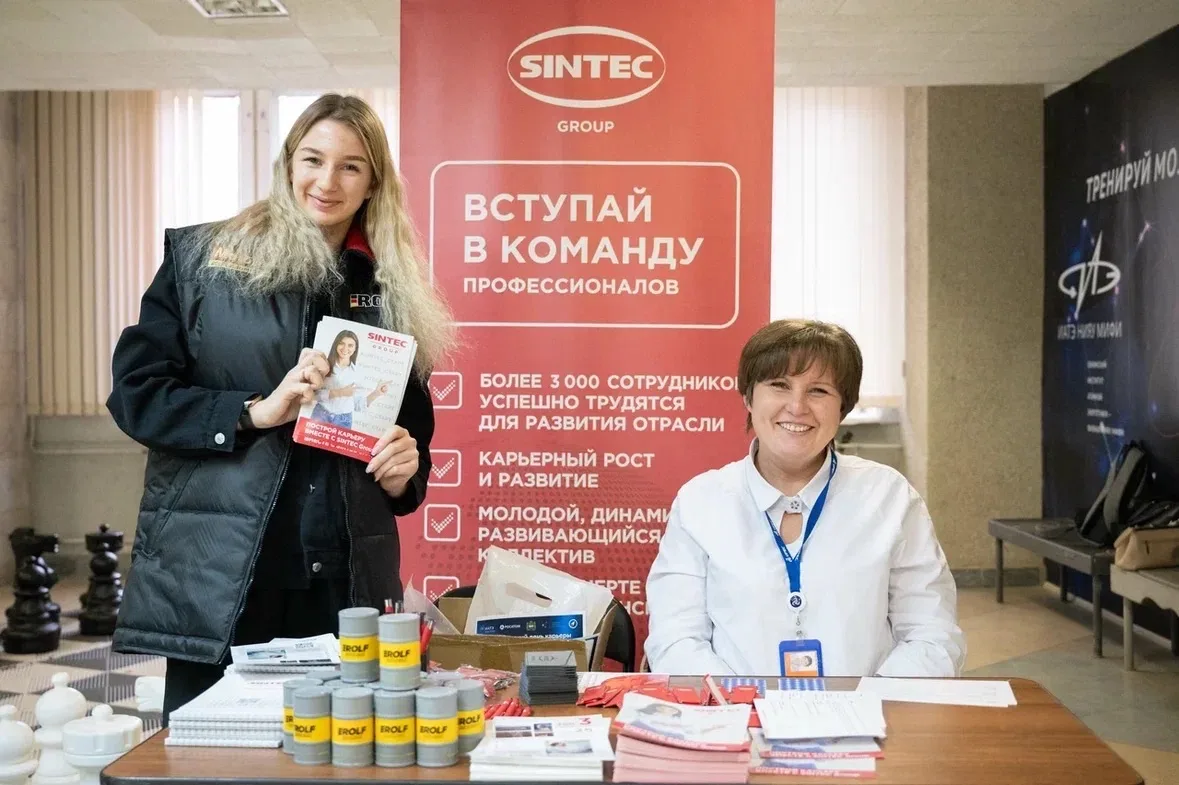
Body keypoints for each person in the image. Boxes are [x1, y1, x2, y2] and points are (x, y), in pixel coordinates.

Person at [106, 93, 456, 723]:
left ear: (374, 181)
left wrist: (406, 472)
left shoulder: (391, 286)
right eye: (313, 159)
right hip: (221, 577)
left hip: (342, 583)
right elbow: (136, 396)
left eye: (351, 166)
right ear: (288, 162)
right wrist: (253, 413)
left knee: (337, 750)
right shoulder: (202, 262)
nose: (327, 181)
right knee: (214, 757)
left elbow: (412, 438)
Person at [644, 319, 964, 678]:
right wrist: (740, 702)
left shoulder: (889, 497)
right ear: (748, 397)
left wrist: (871, 701)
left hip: (872, 710)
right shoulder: (700, 502)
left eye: (819, 391)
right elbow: (676, 640)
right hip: (735, 710)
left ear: (843, 407)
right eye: (779, 385)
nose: (797, 407)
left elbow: (931, 635)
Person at [310, 329, 393, 429]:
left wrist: (376, 393)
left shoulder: (358, 373)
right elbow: (313, 395)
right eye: (341, 343)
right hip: (321, 414)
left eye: (350, 345)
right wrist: (340, 393)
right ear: (336, 344)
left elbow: (358, 405)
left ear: (355, 349)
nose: (345, 348)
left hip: (343, 420)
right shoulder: (324, 366)